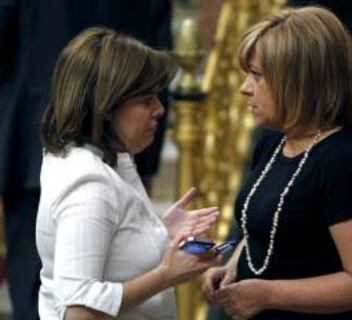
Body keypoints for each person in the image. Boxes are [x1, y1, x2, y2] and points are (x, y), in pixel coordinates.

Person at [202, 6, 352, 320]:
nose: (244, 87)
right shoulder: (272, 142)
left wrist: (267, 293)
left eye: (257, 76)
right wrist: (232, 267)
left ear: (298, 81)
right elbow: (266, 230)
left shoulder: (342, 162)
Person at [36, 26, 220, 320]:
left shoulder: (103, 157)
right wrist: (166, 275)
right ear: (106, 107)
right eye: (146, 101)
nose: (159, 110)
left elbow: (111, 248)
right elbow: (78, 312)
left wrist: (156, 231)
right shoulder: (89, 186)